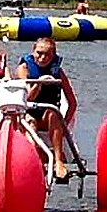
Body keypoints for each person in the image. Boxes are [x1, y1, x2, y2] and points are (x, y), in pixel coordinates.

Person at [15, 37, 77, 181]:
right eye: (39, 53)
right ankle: (35, 160)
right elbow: (27, 98)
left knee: (53, 114)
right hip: (28, 114)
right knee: (30, 123)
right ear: (33, 52)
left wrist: (65, 126)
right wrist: (39, 84)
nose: (42, 58)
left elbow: (72, 103)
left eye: (47, 54)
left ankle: (58, 161)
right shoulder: (24, 68)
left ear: (53, 56)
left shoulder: (58, 72)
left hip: (48, 116)